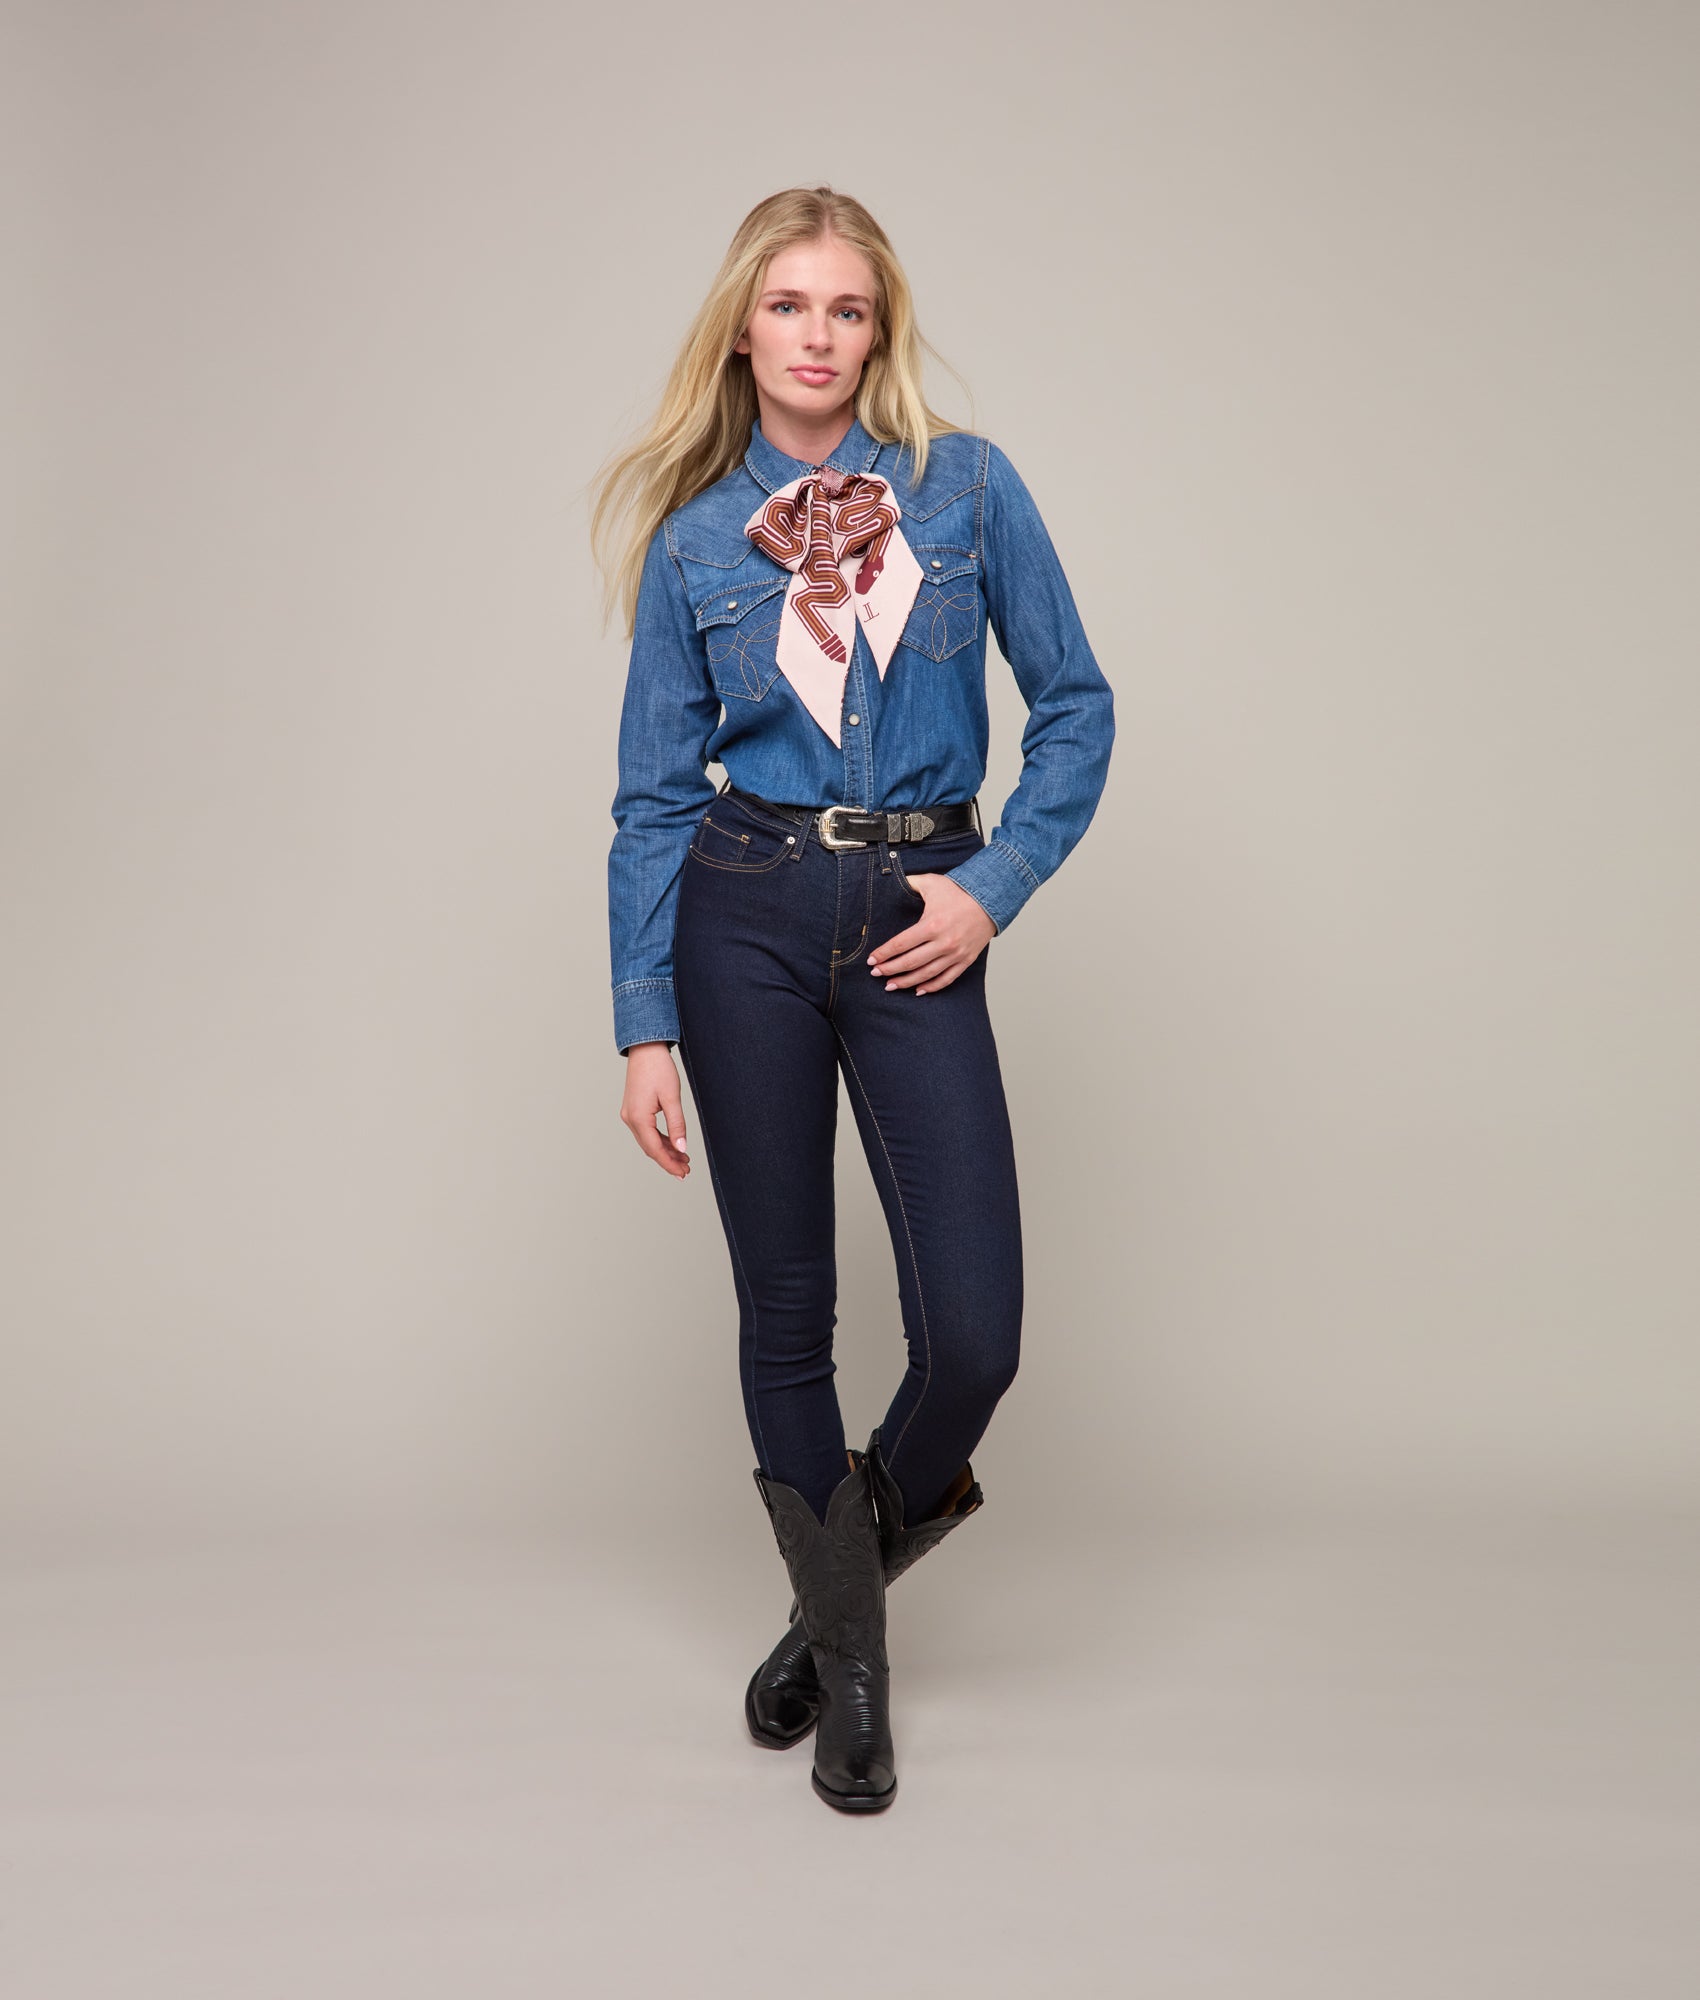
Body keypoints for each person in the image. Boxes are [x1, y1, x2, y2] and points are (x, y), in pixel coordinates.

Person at [591, 186, 1115, 1813]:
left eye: (848, 309)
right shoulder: (695, 539)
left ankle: (827, 1618)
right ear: (741, 328)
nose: (818, 336)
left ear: (879, 329)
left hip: (915, 911)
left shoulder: (967, 488)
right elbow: (652, 797)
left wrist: (989, 887)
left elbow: (1078, 708)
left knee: (975, 1333)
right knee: (788, 1313)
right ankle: (857, 1682)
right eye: (789, 306)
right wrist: (642, 1022)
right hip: (740, 912)